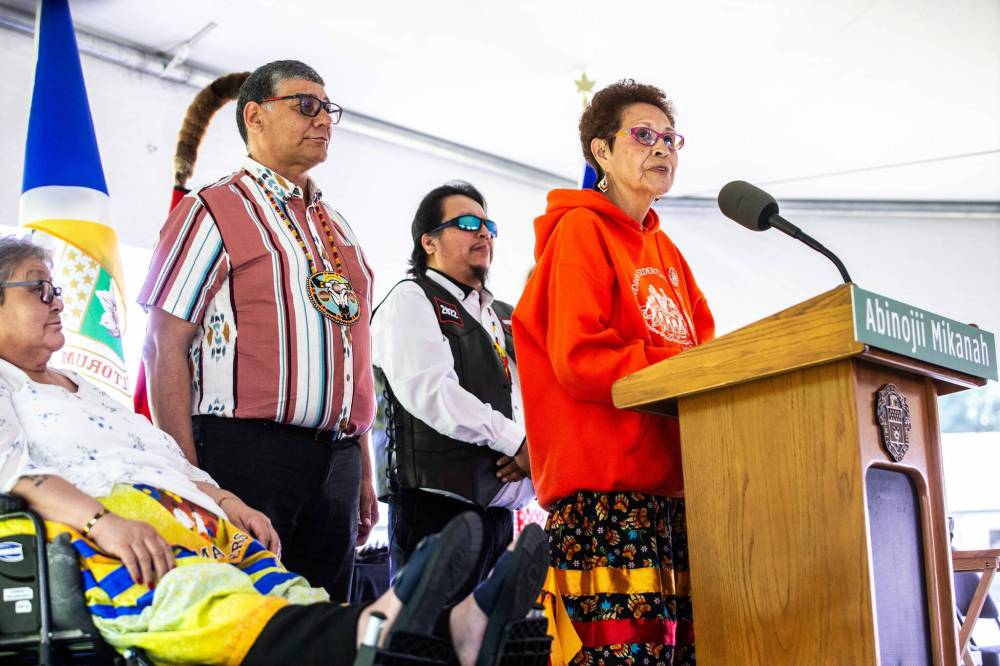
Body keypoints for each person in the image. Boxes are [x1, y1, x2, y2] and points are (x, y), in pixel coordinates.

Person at [0, 235, 548, 665]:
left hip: (191, 515)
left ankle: (458, 630)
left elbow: (159, 454)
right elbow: (14, 474)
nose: (58, 301)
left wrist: (224, 500)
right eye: (39, 289)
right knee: (202, 598)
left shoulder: (85, 387)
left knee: (287, 590)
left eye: (56, 288)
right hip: (109, 525)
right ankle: (384, 628)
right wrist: (102, 522)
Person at [137, 59, 378, 600]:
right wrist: (191, 479)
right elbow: (163, 344)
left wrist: (361, 468)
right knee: (254, 620)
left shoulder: (338, 227)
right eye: (305, 105)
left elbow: (351, 356)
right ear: (256, 116)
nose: (323, 120)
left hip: (337, 458)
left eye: (328, 109)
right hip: (247, 454)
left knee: (326, 624)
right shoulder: (212, 209)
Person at [512, 80, 716, 665]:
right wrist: (678, 370)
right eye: (643, 135)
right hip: (609, 507)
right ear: (601, 152)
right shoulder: (580, 233)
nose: (662, 149)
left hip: (674, 502)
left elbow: (707, 351)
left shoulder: (667, 253)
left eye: (670, 138)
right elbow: (579, 359)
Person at [370, 181, 534, 596]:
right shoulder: (410, 299)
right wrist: (518, 443)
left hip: (499, 517)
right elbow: (433, 394)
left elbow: (526, 398)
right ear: (429, 241)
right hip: (435, 512)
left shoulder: (499, 315)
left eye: (488, 225)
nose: (483, 233)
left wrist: (537, 452)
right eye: (466, 223)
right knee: (426, 647)